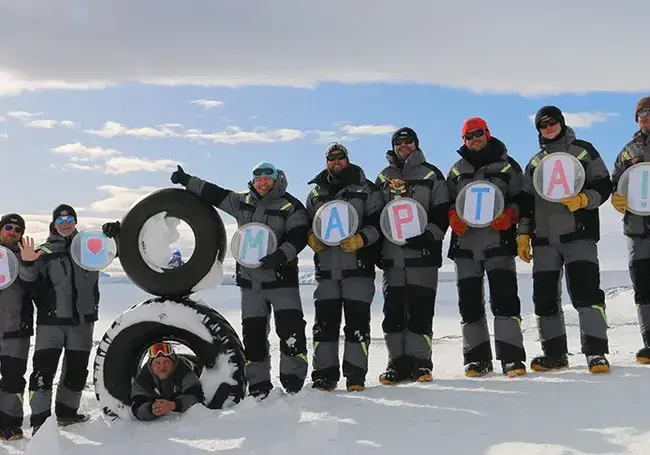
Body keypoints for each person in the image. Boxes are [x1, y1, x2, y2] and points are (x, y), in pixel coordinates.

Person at [170, 162, 309, 399]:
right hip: (250, 284)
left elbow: (299, 237)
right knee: (254, 336)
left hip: (282, 281)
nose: (262, 182)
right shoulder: (242, 202)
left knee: (291, 332)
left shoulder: (291, 205)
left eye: (267, 178)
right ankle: (258, 385)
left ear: (276, 180)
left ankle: (293, 382)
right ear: (253, 181)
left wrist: (279, 256)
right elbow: (214, 193)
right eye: (258, 178)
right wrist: (187, 180)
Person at [517, 106, 612, 373]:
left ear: (561, 122)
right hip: (544, 240)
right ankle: (555, 354)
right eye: (542, 125)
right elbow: (526, 203)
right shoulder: (535, 162)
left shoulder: (583, 150)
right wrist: (523, 234)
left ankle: (596, 353)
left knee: (586, 295)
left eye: (552, 122)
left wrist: (585, 199)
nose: (548, 128)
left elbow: (604, 184)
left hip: (578, 235)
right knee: (545, 299)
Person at [446, 117, 526, 377]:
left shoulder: (507, 166)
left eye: (478, 133)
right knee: (469, 305)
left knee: (504, 301)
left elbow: (522, 199)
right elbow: (444, 201)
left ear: (487, 133)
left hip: (498, 244)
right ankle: (476, 359)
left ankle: (512, 358)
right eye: (469, 136)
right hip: (465, 246)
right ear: (463, 140)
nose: (474, 139)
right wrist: (451, 217)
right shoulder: (457, 170)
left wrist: (511, 216)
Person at [305, 143, 384, 392]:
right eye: (331, 158)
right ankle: (324, 376)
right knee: (325, 326)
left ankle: (355, 376)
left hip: (357, 269)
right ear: (326, 161)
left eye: (340, 157)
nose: (336, 162)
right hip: (326, 272)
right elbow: (305, 224)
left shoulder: (367, 189)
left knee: (357, 325)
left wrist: (363, 238)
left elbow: (379, 223)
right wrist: (310, 238)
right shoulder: (316, 194)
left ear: (347, 159)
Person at [375, 127, 450, 384]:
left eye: (408, 142)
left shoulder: (431, 174)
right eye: (398, 142)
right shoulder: (383, 177)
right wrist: (376, 249)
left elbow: (442, 212)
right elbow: (375, 216)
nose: (403, 146)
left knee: (420, 310)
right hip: (392, 257)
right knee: (393, 312)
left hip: (423, 256)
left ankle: (420, 364)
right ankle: (396, 363)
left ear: (416, 144)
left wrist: (428, 235)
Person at [18, 204, 97, 433]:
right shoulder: (45, 251)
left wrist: (115, 235)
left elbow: (115, 251)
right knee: (43, 372)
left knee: (76, 371)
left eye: (69, 219)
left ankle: (67, 413)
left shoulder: (89, 248)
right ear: (54, 224)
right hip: (50, 322)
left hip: (83, 321)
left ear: (75, 221)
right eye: (60, 221)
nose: (65, 224)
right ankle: (40, 422)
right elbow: (28, 282)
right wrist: (27, 262)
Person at [610, 96, 650, 364]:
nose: (646, 118)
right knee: (644, 287)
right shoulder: (627, 151)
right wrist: (616, 196)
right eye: (642, 114)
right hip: (637, 229)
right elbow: (615, 183)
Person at [0, 214, 33, 440]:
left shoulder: (26, 257)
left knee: (13, 379)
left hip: (16, 330)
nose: (13, 232)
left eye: (18, 230)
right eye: (8, 227)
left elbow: (35, 285)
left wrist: (28, 262)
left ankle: (10, 424)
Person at [131, 342, 204, 421]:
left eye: (166, 362)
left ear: (174, 363)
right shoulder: (143, 378)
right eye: (157, 363)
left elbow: (197, 396)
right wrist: (152, 408)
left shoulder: (184, 371)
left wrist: (174, 405)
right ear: (150, 366)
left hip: (193, 362)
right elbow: (136, 407)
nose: (162, 367)